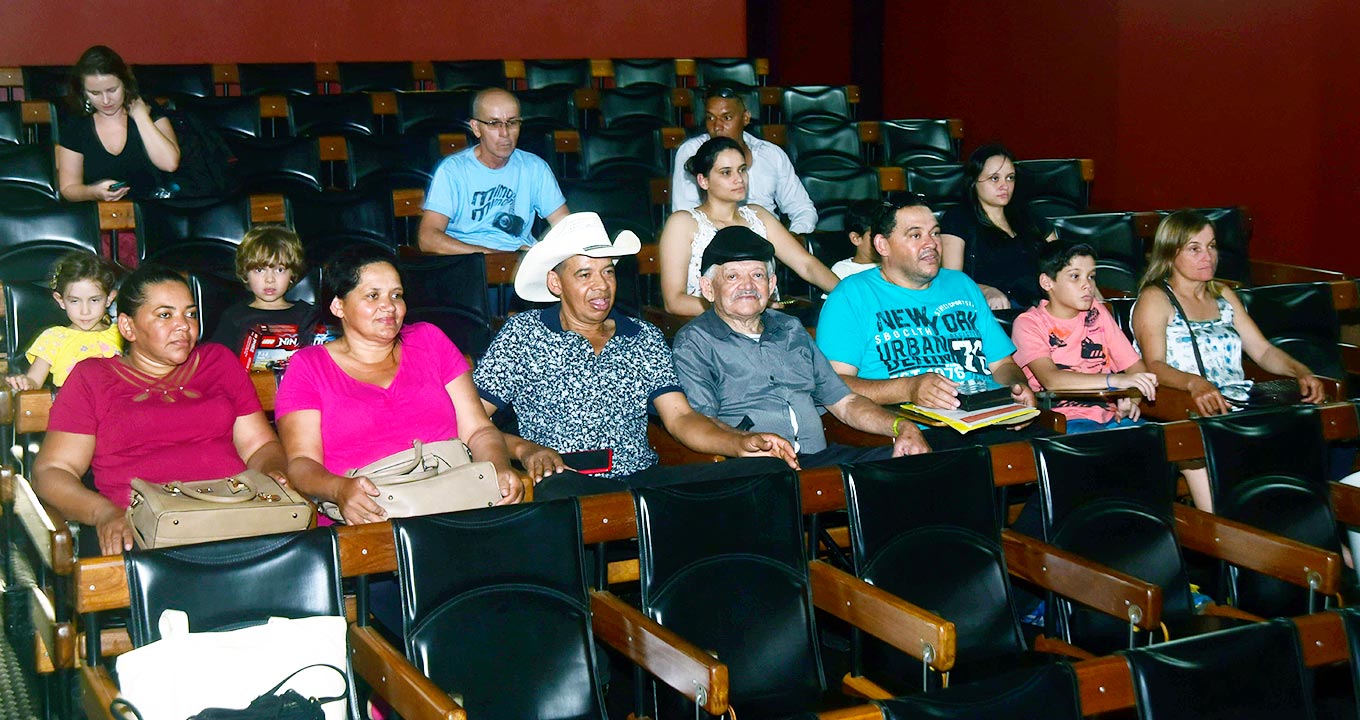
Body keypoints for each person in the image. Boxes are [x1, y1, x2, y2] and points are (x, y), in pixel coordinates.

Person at [473, 211, 799, 499]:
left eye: (608, 272)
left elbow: (681, 418)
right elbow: (468, 423)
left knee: (764, 474)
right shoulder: (524, 334)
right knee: (566, 499)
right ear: (555, 283)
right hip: (566, 483)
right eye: (585, 274)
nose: (601, 285)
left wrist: (739, 443)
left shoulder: (642, 336)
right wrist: (524, 449)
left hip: (641, 479)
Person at [33, 265, 286, 555]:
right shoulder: (92, 378)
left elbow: (259, 445)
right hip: (150, 533)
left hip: (235, 516)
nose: (184, 325)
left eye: (190, 314)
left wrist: (273, 471)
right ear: (128, 327)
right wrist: (101, 513)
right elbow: (53, 470)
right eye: (165, 315)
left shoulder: (218, 362)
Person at [275, 246, 524, 526]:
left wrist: (498, 469)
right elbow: (301, 464)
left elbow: (478, 429)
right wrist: (339, 489)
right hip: (367, 512)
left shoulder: (430, 341)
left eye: (396, 295)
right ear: (338, 306)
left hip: (454, 498)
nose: (389, 306)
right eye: (373, 295)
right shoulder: (308, 367)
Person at [673, 225, 930, 467]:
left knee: (909, 464)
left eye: (757, 275)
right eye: (732, 276)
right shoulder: (695, 342)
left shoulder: (790, 330)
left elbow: (845, 402)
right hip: (753, 466)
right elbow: (702, 421)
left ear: (771, 286)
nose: (748, 285)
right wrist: (743, 441)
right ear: (708, 288)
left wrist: (900, 426)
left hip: (819, 459)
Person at [815, 197, 1040, 450]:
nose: (931, 243)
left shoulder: (962, 285)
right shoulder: (851, 295)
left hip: (990, 422)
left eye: (935, 233)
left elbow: (1003, 364)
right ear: (882, 245)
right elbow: (834, 385)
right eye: (915, 235)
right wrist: (909, 388)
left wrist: (1017, 387)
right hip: (916, 432)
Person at [659, 136, 839, 316]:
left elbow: (806, 265)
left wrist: (851, 294)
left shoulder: (758, 215)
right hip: (711, 327)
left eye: (742, 170)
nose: (739, 179)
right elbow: (674, 301)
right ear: (703, 180)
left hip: (767, 322)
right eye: (726, 172)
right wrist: (742, 310)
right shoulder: (683, 223)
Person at [1011, 242, 1158, 432]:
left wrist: (1131, 399)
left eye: (1091, 277)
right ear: (1047, 283)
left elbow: (1135, 368)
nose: (1087, 285)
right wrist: (1116, 381)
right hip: (1062, 419)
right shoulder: (1029, 323)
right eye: (1075, 276)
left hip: (1111, 417)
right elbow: (1051, 379)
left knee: (1155, 438)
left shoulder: (1096, 312)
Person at [417, 88, 569, 254]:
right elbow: (427, 238)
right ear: (476, 128)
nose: (505, 133)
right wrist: (493, 255)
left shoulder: (534, 167)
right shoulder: (453, 170)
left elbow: (566, 227)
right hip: (469, 262)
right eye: (494, 124)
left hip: (521, 262)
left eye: (512, 123)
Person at [671, 86, 818, 234]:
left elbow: (802, 209)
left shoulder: (770, 154)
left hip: (770, 243)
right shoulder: (692, 152)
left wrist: (792, 241)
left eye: (727, 118)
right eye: (710, 118)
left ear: (745, 118)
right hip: (716, 245)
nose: (717, 126)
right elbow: (685, 213)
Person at [939, 144, 1056, 310]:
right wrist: (984, 290)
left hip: (1041, 307)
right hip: (996, 312)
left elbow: (1063, 262)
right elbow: (952, 280)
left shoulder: (1028, 218)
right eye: (995, 178)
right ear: (973, 181)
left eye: (1010, 178)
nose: (1005, 185)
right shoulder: (957, 219)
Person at [56, 45, 179, 202]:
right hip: (100, 217)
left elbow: (169, 163)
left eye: (112, 90)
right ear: (83, 92)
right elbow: (68, 188)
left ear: (125, 84)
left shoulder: (149, 110)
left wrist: (141, 117)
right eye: (95, 93)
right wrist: (93, 192)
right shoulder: (76, 123)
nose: (106, 100)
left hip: (155, 212)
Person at [6, 250, 122, 390]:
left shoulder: (123, 334)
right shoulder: (54, 338)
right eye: (74, 301)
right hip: (73, 409)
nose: (85, 311)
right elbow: (34, 382)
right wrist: (24, 382)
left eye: (94, 300)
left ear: (109, 298)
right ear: (60, 301)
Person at [208, 225, 317, 357]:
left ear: (292, 274)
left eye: (280, 270)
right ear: (245, 274)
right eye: (259, 270)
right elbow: (216, 362)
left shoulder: (308, 315)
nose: (269, 279)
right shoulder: (234, 317)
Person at [829, 198, 881, 280]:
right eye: (876, 237)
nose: (884, 243)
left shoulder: (895, 266)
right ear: (856, 238)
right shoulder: (843, 271)